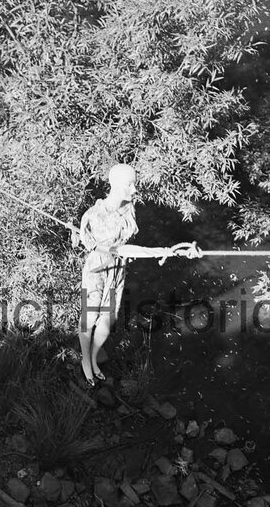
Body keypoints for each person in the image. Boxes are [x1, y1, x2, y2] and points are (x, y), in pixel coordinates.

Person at [77, 163, 200, 386]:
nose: (134, 189)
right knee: (91, 315)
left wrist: (175, 251)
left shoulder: (128, 209)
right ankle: (86, 360)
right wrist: (160, 252)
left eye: (134, 183)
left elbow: (125, 246)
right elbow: (121, 249)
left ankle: (94, 358)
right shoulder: (97, 216)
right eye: (129, 184)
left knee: (109, 319)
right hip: (98, 269)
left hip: (117, 270)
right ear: (115, 185)